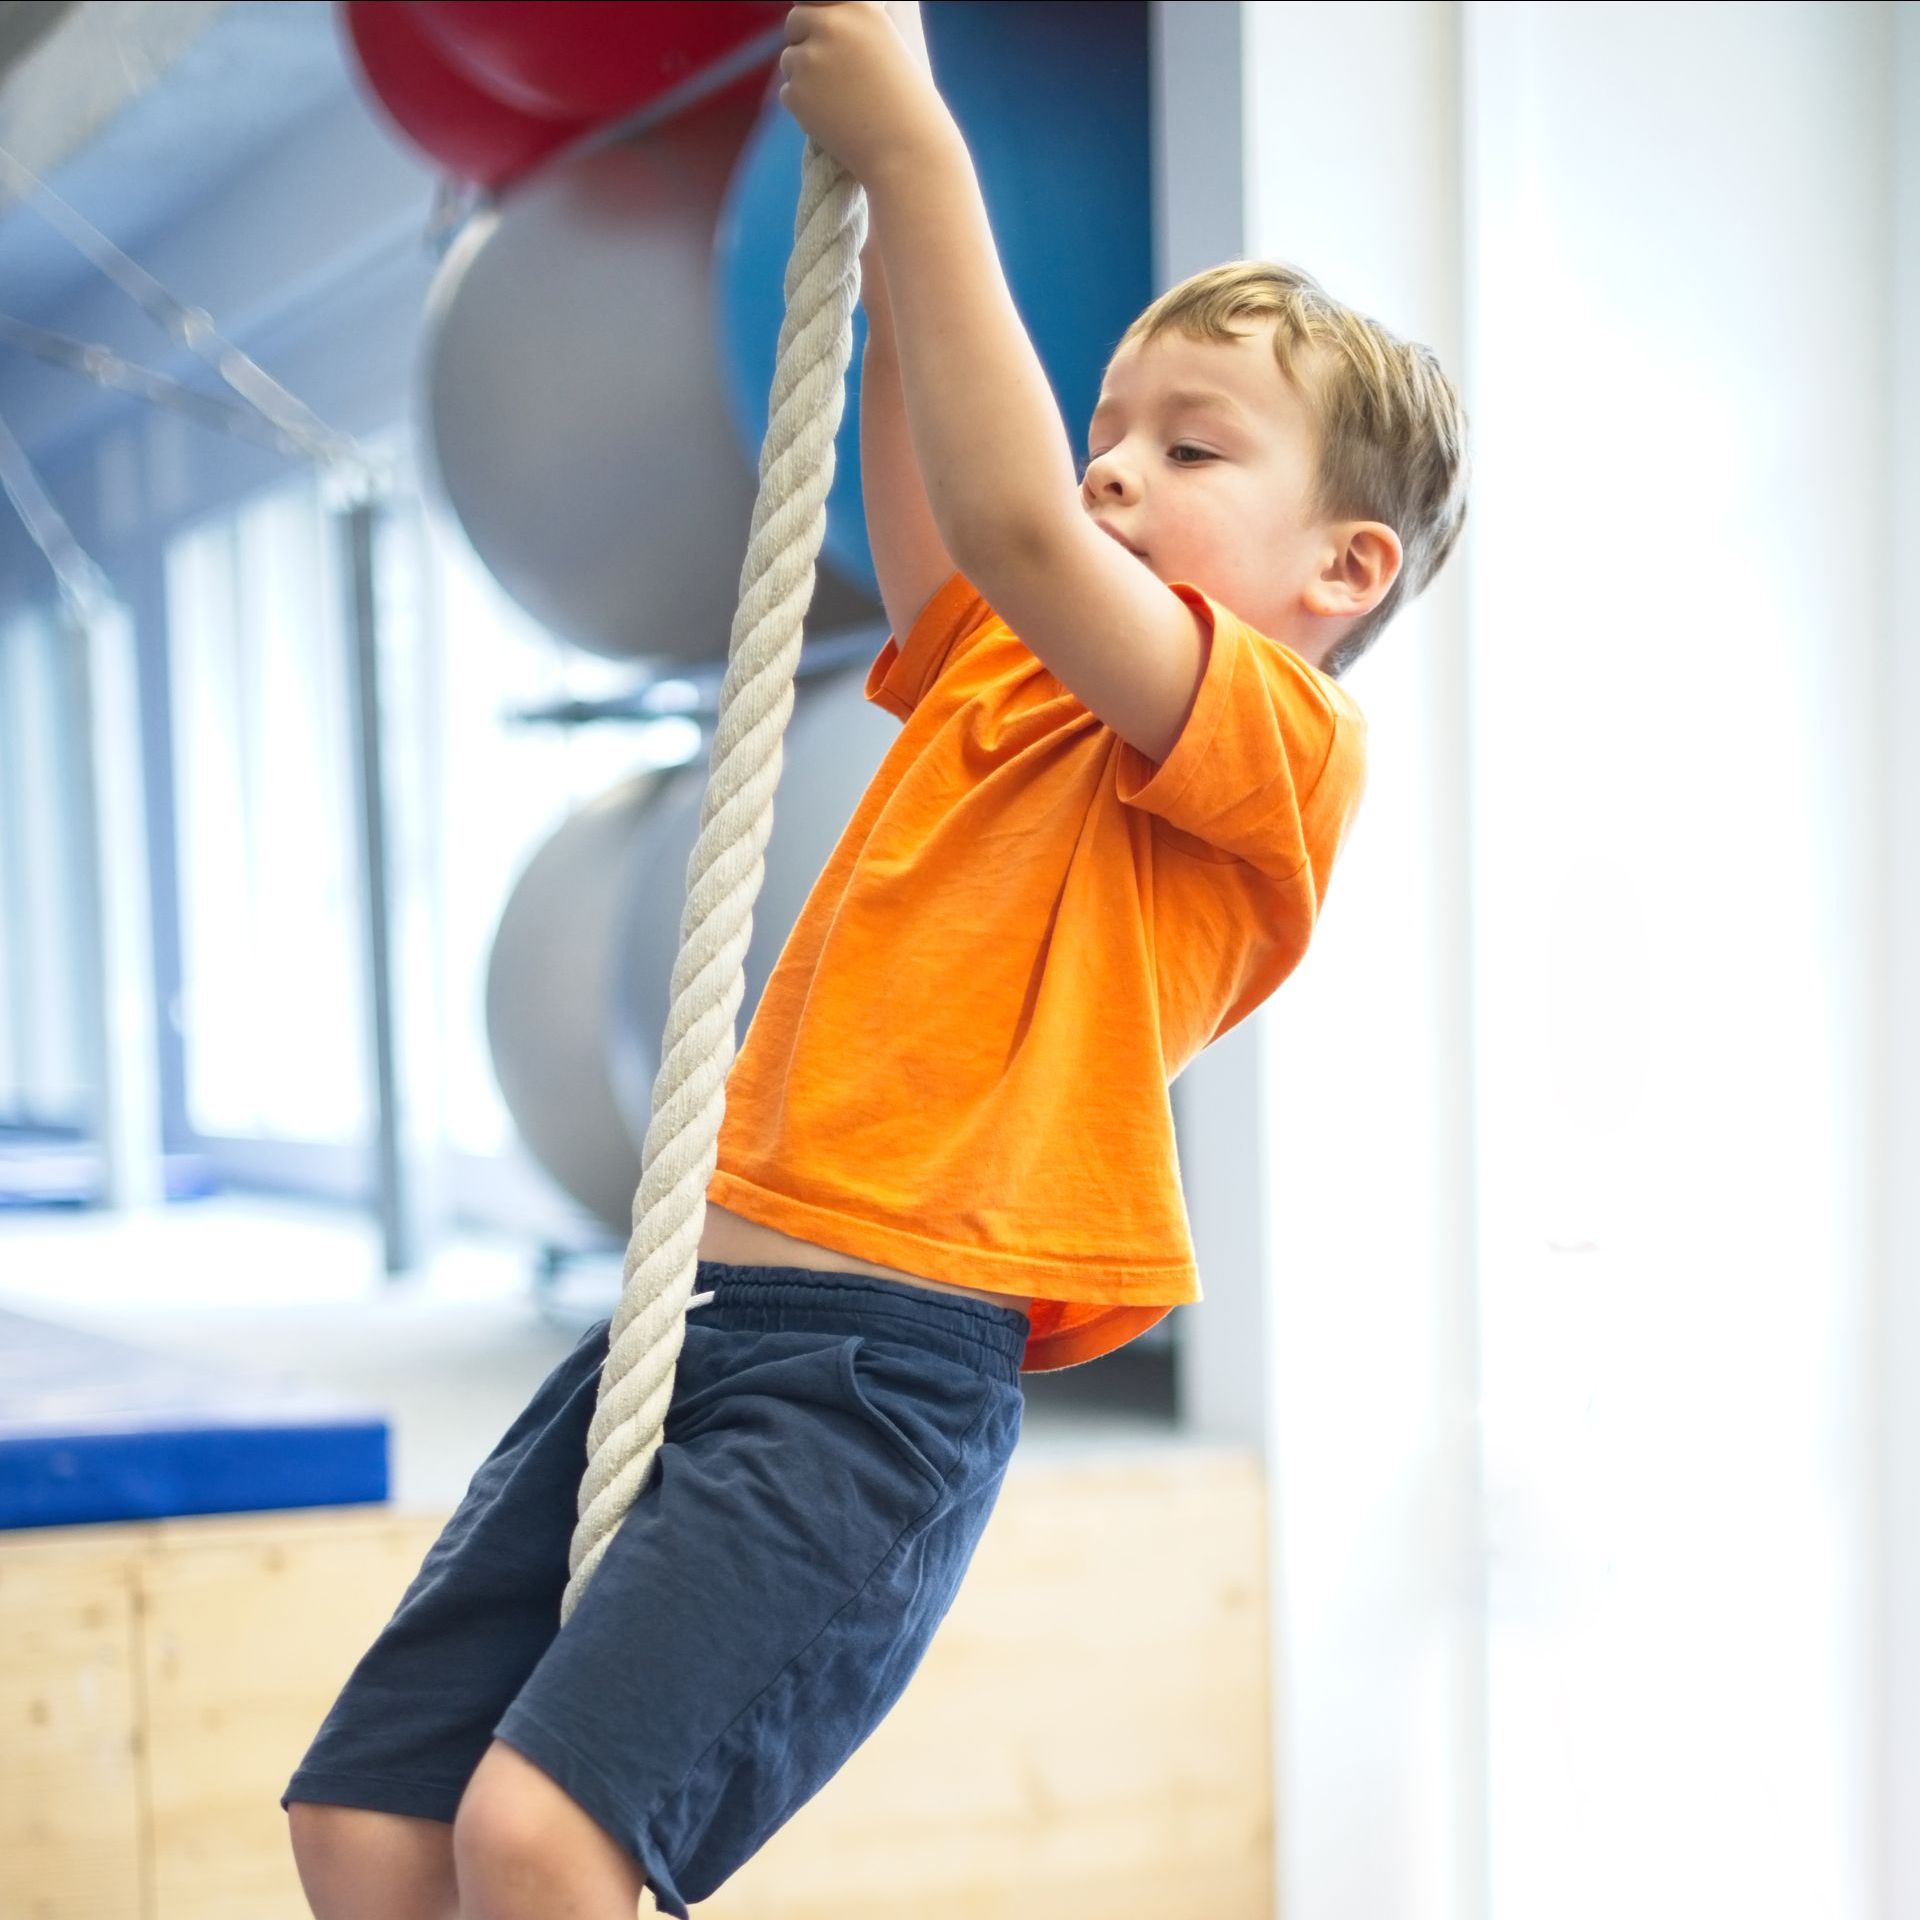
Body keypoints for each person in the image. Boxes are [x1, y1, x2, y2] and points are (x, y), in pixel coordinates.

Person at [282, 5, 1471, 1916]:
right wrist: (891, 245)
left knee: (542, 1835)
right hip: (690, 1325)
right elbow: (948, 513)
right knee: (368, 1821)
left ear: (1344, 571)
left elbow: (1006, 527)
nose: (1108, 472)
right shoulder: (1007, 682)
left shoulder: (1275, 743)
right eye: (1101, 432)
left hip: (872, 1373)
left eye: (1185, 447)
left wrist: (922, 151)